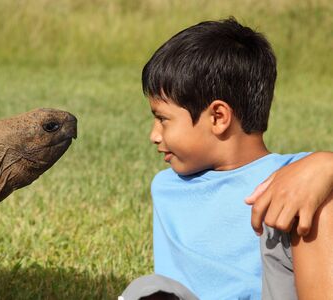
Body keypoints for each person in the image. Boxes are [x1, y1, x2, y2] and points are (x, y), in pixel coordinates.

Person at [122, 18, 332, 299]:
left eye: (163, 119)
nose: (154, 135)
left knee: (321, 203)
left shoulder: (296, 176)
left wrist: (326, 164)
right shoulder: (166, 186)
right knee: (146, 289)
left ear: (218, 117)